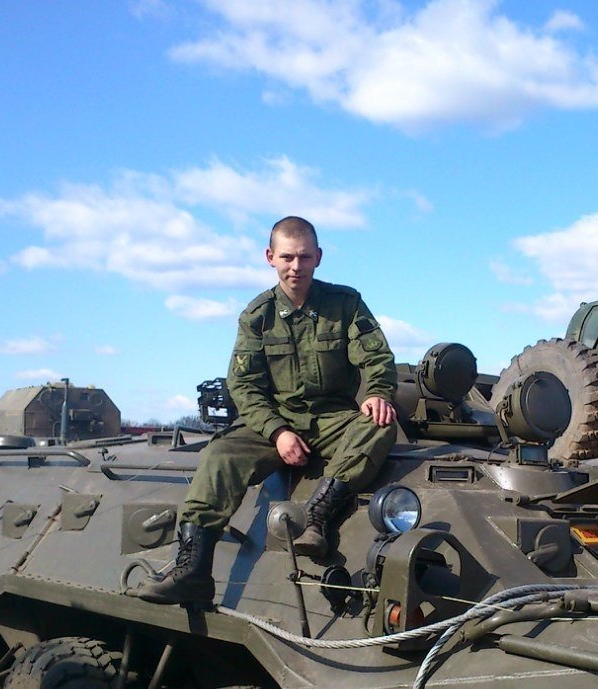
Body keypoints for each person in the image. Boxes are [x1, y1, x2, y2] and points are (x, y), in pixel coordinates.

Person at [133, 216, 399, 606]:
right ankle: (192, 569)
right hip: (273, 422)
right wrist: (277, 432)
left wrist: (377, 392)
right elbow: (243, 386)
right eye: (287, 257)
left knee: (378, 424)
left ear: (319, 258)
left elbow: (376, 356)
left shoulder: (345, 305)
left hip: (331, 420)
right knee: (219, 455)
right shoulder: (257, 316)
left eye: (305, 257)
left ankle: (317, 518)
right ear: (270, 257)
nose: (296, 267)